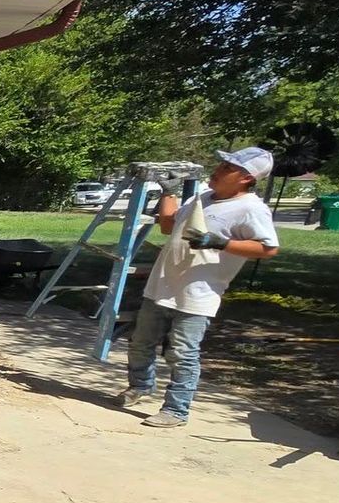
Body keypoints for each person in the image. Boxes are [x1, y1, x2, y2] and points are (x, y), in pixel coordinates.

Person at [119, 147, 280, 428]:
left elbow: (268, 248)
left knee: (182, 353)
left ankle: (176, 410)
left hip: (198, 294)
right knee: (140, 342)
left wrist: (221, 243)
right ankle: (140, 386)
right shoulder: (202, 198)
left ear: (246, 178)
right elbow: (168, 227)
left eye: (227, 168)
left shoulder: (251, 208)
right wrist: (169, 192)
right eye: (221, 164)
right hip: (162, 285)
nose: (218, 170)